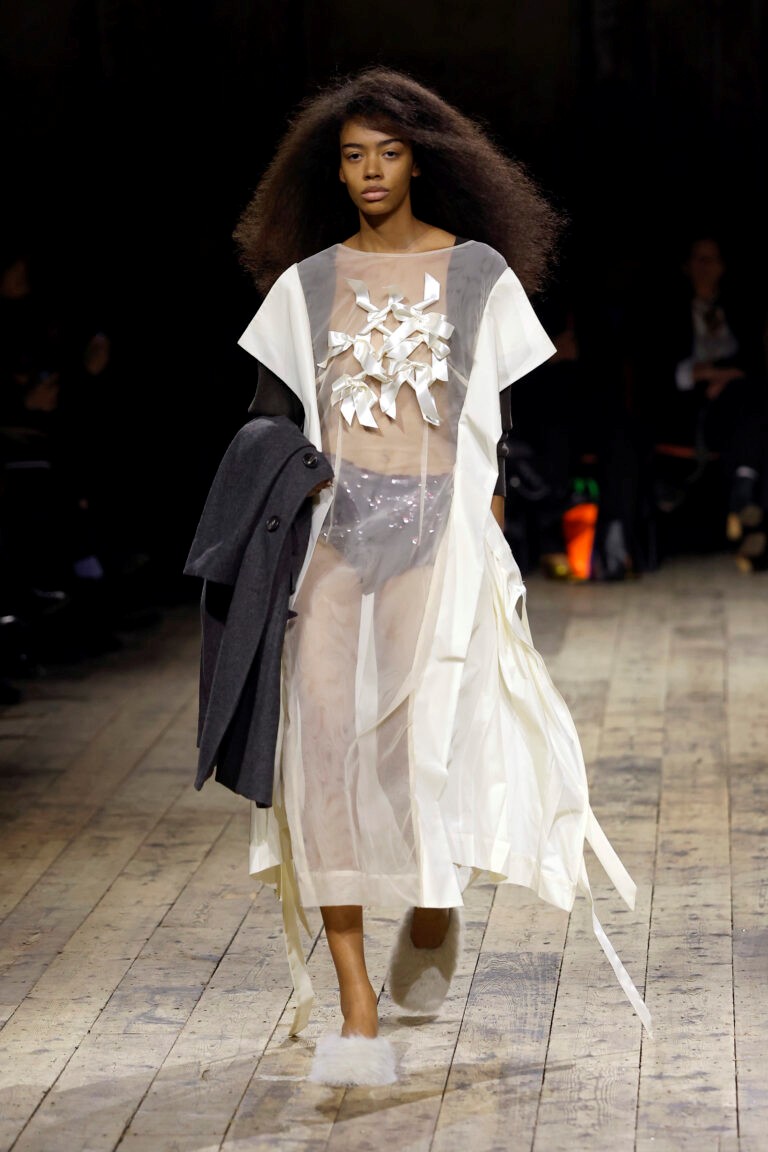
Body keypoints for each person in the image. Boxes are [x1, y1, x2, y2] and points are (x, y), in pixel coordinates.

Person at [193, 66, 652, 1086]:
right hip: (334, 536)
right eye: (353, 155)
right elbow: (269, 419)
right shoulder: (306, 286)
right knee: (318, 747)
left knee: (417, 749)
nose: (370, 171)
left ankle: (436, 901)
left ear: (421, 161)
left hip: (439, 534)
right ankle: (356, 1009)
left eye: (389, 153)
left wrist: (493, 538)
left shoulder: (477, 274)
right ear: (333, 169)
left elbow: (499, 423)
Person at [637, 232, 768, 569]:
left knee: (751, 404)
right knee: (751, 410)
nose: (705, 266)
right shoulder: (667, 309)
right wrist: (700, 375)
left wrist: (726, 377)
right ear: (686, 266)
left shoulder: (739, 308)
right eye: (699, 258)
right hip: (687, 409)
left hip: (735, 405)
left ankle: (746, 503)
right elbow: (653, 371)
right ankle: (745, 497)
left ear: (723, 266)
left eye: (712, 259)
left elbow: (755, 360)